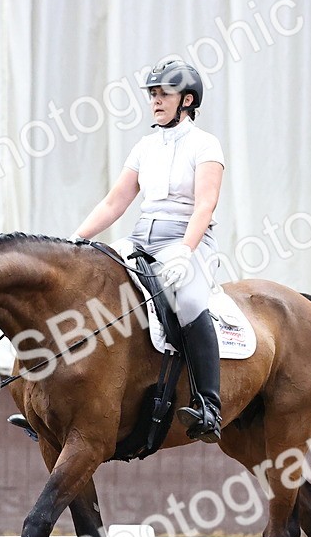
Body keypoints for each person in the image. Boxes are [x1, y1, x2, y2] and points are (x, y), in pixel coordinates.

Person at [72, 59, 224, 443]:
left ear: (186, 100)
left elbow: (205, 206)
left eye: (164, 94)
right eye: (153, 95)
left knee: (188, 302)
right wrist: (75, 240)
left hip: (188, 239)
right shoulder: (145, 146)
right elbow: (114, 203)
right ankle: (65, 400)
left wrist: (185, 252)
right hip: (141, 238)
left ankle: (209, 405)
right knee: (91, 282)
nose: (156, 101)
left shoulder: (205, 145)